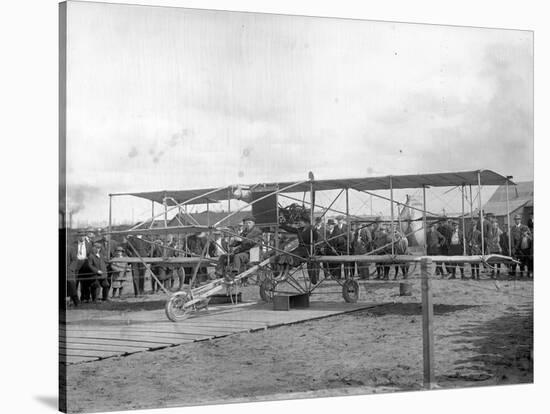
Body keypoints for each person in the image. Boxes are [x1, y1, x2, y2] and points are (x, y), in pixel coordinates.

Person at [216, 216, 262, 281]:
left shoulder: (257, 232)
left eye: (249, 223)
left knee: (237, 257)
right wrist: (230, 243)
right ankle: (219, 273)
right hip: (242, 252)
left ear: (253, 223)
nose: (247, 225)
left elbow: (253, 242)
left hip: (252, 253)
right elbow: (237, 242)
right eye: (246, 223)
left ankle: (234, 274)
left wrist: (241, 240)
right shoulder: (244, 232)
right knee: (223, 257)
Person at [279, 214, 319, 283]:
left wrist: (314, 230)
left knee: (291, 256)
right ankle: (281, 275)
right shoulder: (300, 229)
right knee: (285, 255)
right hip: (300, 249)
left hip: (307, 250)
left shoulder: (311, 229)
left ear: (306, 222)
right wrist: (281, 225)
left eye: (301, 221)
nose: (299, 223)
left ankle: (284, 275)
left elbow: (316, 238)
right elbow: (290, 229)